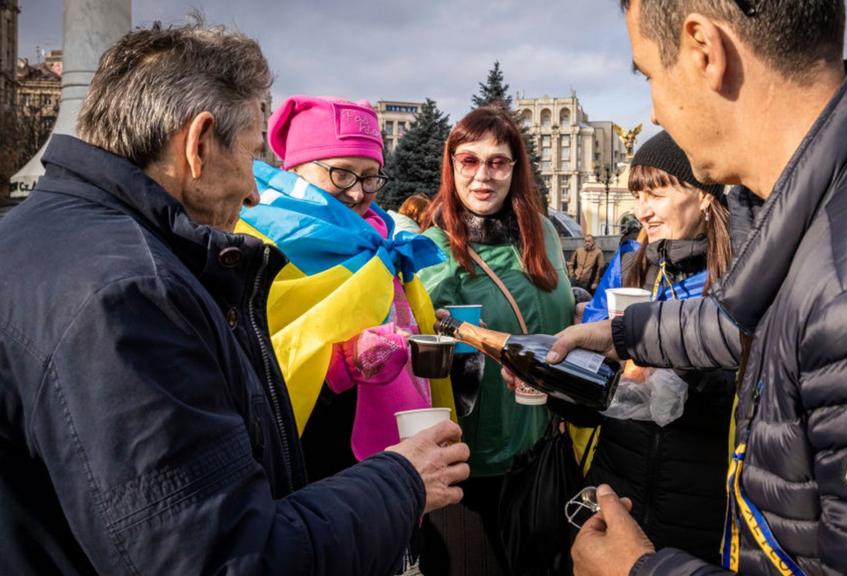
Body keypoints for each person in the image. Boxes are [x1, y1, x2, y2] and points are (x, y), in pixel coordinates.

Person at [558, 1, 847, 575]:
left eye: (650, 75)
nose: (655, 111)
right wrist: (621, 334)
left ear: (705, 49)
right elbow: (762, 323)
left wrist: (640, 570)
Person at [0, 24, 469, 575]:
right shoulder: (131, 294)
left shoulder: (31, 234)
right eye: (250, 154)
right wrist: (401, 480)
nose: (253, 190)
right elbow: (225, 557)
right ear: (198, 145)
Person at [235, 96, 455, 488]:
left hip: (400, 450)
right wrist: (344, 362)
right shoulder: (260, 239)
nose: (358, 193)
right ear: (297, 170)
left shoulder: (381, 234)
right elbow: (253, 364)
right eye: (342, 174)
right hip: (320, 460)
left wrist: (428, 322)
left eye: (370, 176)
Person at [417, 105, 575, 575]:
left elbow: (554, 310)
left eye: (497, 162)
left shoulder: (540, 231)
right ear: (451, 165)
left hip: (536, 444)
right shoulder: (430, 242)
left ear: (514, 168)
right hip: (466, 459)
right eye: (469, 160)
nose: (483, 175)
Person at [580, 131, 734, 561]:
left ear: (703, 195)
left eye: (656, 193)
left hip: (702, 497)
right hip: (617, 485)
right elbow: (592, 364)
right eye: (636, 194)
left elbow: (749, 383)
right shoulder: (630, 263)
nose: (642, 210)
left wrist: (677, 363)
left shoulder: (739, 273)